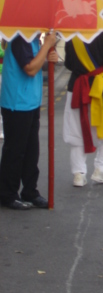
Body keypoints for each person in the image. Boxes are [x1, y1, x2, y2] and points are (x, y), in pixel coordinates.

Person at [0, 32, 58, 210]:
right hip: (17, 103)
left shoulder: (31, 39)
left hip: (30, 102)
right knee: (15, 151)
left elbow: (37, 64)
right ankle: (8, 194)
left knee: (32, 150)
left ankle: (30, 191)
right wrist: (47, 45)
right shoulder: (20, 38)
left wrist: (49, 57)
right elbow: (31, 69)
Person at [63, 28, 103, 187]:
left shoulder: (73, 32)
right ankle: (101, 170)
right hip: (101, 85)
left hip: (77, 85)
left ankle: (78, 174)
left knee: (76, 130)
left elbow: (69, 63)